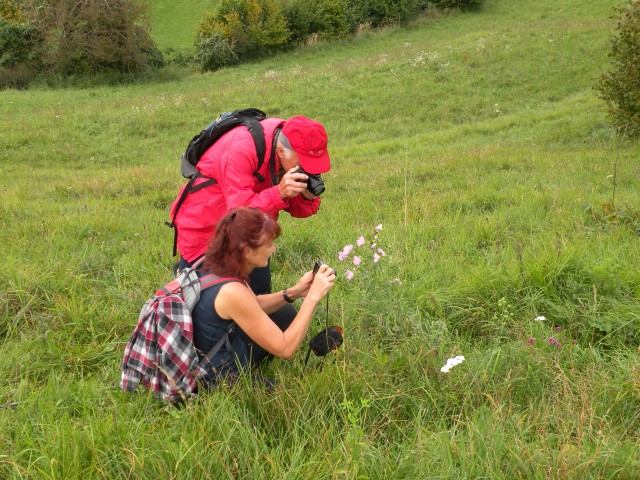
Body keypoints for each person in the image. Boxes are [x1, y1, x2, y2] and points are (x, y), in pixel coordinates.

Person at [171, 114, 332, 296]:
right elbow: (239, 217)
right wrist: (279, 192)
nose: (309, 170)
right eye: (304, 164)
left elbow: (298, 210)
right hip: (206, 230)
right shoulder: (242, 149)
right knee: (203, 300)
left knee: (259, 291)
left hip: (253, 231)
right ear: (281, 151)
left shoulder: (287, 145)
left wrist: (307, 197)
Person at [191, 207, 335, 388]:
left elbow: (255, 304)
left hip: (208, 352)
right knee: (286, 393)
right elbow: (286, 349)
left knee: (284, 313)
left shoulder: (219, 266)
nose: (273, 249)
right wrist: (312, 297)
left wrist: (294, 292)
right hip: (212, 377)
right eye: (268, 245)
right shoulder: (232, 292)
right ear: (247, 251)